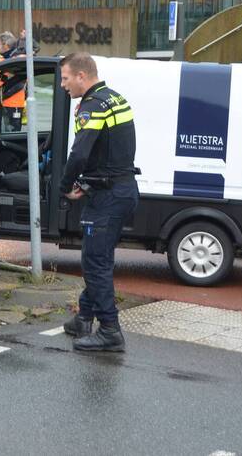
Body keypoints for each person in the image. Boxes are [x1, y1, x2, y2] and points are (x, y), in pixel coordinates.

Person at [59, 52, 138, 353]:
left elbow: (80, 153)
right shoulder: (115, 98)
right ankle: (84, 318)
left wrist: (66, 186)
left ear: (82, 76)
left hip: (107, 196)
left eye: (66, 78)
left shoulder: (91, 106)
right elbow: (110, 152)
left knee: (95, 262)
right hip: (123, 190)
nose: (64, 85)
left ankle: (109, 330)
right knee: (99, 257)